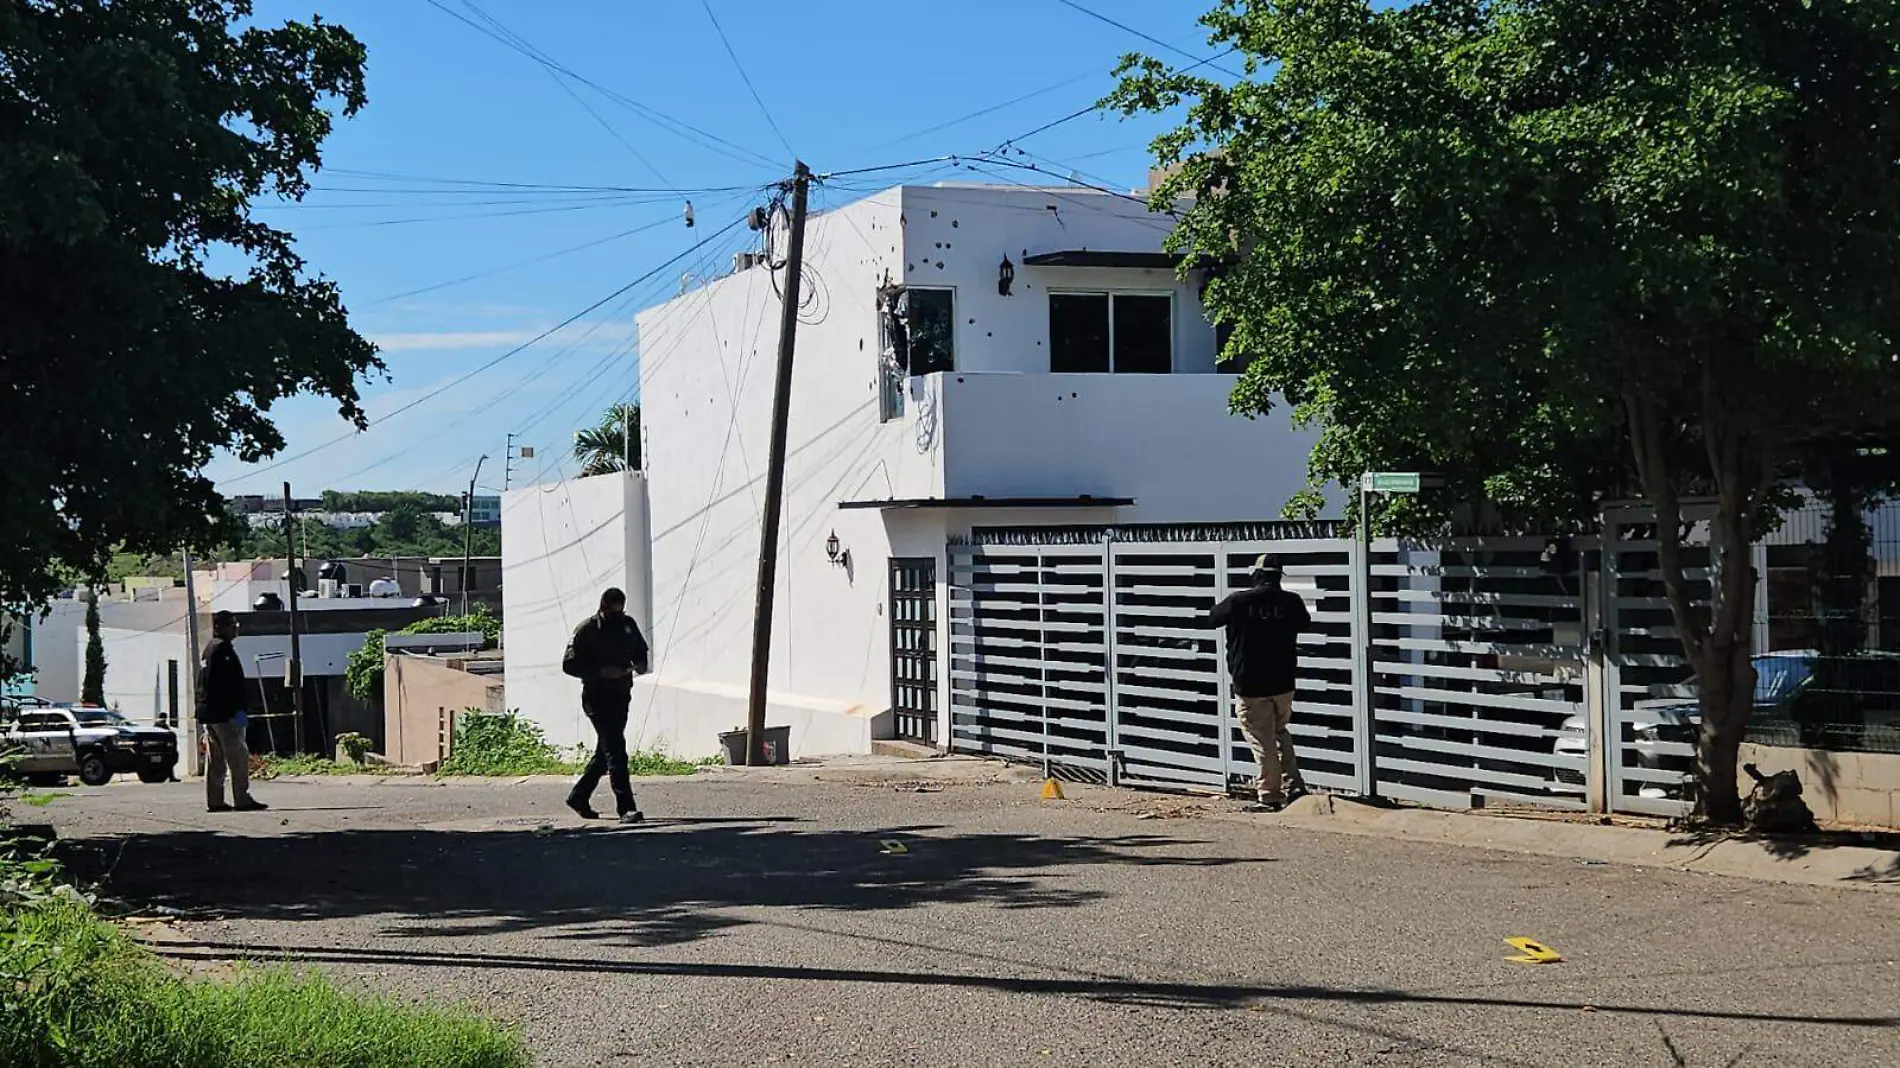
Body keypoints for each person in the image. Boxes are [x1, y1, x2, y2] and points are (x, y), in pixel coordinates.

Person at [1208, 555, 1310, 812]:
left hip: (1251, 683)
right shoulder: (1292, 601)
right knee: (1279, 731)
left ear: (1257, 574)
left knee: (1260, 738)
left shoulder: (1239, 601)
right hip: (1284, 681)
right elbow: (1305, 623)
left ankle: (1269, 795)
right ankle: (1295, 785)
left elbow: (1211, 618)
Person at [562, 588, 650, 824]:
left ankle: (579, 796)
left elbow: (641, 650)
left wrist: (640, 663)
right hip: (596, 698)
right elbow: (569, 664)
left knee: (606, 752)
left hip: (621, 695)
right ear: (602, 607)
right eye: (612, 611)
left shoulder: (627, 625)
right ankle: (626, 808)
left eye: (620, 610)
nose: (616, 615)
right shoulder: (586, 630)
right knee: (616, 750)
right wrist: (600, 672)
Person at [198, 610, 266, 813]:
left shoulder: (209, 649)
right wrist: (239, 713)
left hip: (210, 714)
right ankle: (241, 798)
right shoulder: (222, 651)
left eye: (235, 624)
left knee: (216, 759)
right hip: (225, 715)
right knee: (237, 757)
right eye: (230, 625)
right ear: (218, 627)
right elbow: (230, 687)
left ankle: (215, 800)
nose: (235, 628)